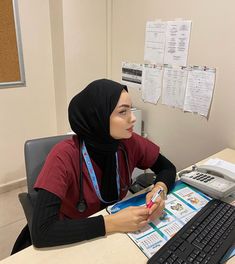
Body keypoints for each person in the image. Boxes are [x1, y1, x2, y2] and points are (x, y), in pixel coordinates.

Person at [28, 79, 176, 248]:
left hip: (112, 233)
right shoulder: (64, 155)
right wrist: (111, 223)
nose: (133, 118)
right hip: (72, 236)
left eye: (131, 109)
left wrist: (160, 190)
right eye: (123, 112)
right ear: (99, 116)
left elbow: (167, 168)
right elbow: (42, 231)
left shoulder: (129, 142)